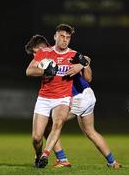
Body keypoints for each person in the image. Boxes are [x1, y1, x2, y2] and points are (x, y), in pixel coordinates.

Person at [25, 34, 122, 169]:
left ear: (44, 48)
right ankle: (112, 162)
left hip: (79, 97)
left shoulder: (60, 55)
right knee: (90, 131)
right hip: (87, 95)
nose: (36, 57)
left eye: (36, 52)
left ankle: (61, 159)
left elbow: (85, 58)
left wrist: (81, 63)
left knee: (50, 125)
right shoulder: (48, 61)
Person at [25, 24, 89, 168]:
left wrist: (83, 65)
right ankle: (38, 153)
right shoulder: (44, 52)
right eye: (62, 36)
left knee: (58, 123)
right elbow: (29, 71)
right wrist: (46, 71)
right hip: (44, 98)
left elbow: (88, 69)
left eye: (68, 37)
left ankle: (45, 156)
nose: (65, 40)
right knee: (36, 138)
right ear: (55, 36)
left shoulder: (73, 55)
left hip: (63, 98)